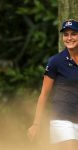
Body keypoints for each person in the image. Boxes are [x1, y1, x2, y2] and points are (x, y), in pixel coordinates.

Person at [27, 19, 78, 150]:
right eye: (66, 34)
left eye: (73, 33)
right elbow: (44, 94)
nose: (69, 38)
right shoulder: (56, 61)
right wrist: (36, 124)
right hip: (62, 119)